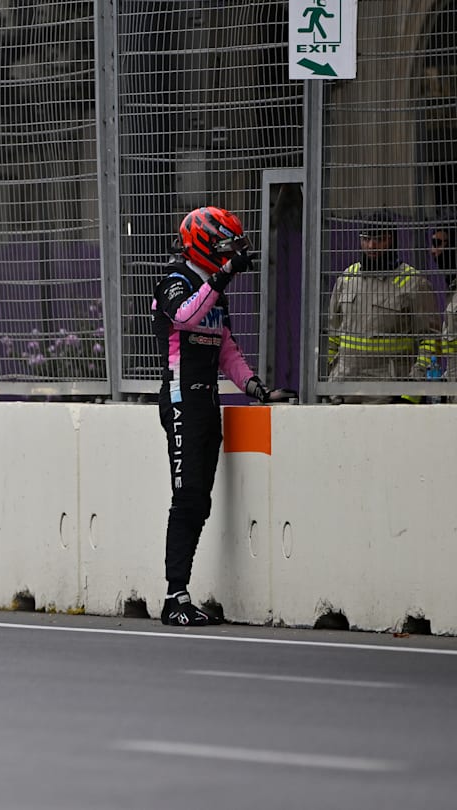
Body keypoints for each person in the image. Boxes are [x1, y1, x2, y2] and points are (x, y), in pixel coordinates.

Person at [150, 206, 294, 627]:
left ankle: (181, 594)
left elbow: (226, 348)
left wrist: (255, 388)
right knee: (187, 497)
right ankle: (174, 598)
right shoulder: (175, 279)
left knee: (200, 502)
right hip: (181, 402)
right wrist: (224, 274)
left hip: (208, 402)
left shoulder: (214, 288)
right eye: (224, 245)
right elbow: (184, 316)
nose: (230, 252)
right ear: (204, 243)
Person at [326, 212, 440, 403]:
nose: (372, 246)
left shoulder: (413, 282)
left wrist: (412, 392)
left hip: (389, 392)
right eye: (366, 239)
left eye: (379, 239)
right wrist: (330, 379)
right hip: (343, 389)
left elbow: (430, 339)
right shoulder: (347, 279)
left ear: (392, 240)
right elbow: (332, 336)